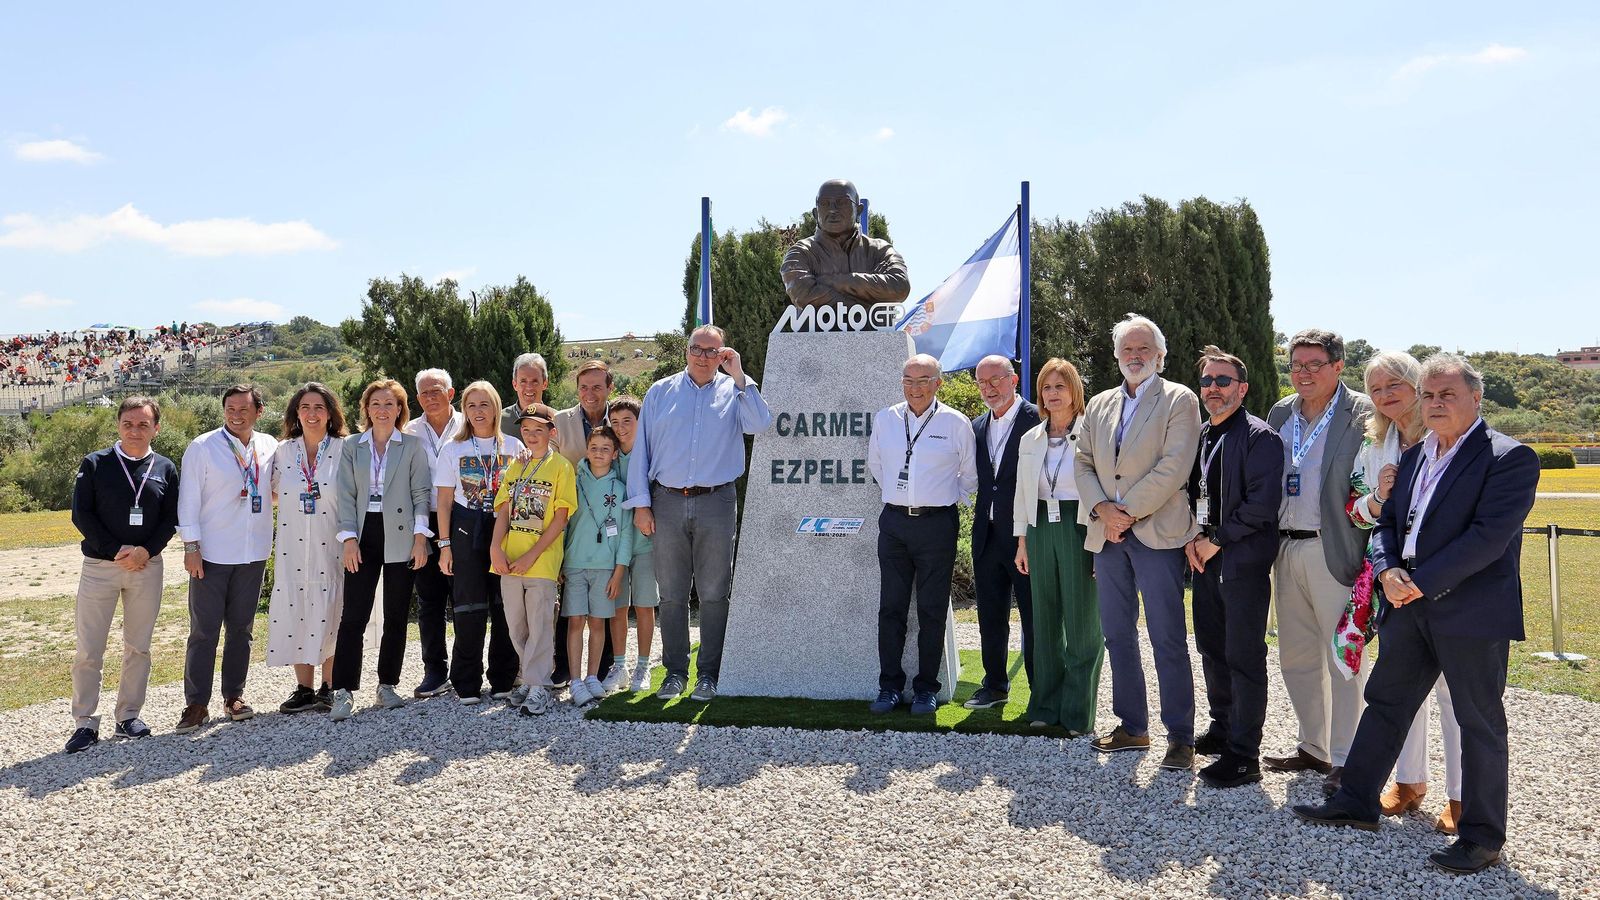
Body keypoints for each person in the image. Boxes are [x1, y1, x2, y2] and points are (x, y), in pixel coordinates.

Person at [1292, 354, 1538, 875]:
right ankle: (1356, 801)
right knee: (1386, 704)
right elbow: (1385, 526)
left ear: (1476, 398)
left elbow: (1488, 538)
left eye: (1448, 394)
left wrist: (1418, 582)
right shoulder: (1416, 453)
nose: (1436, 404)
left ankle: (1481, 837)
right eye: (1429, 395)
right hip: (1406, 605)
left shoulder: (1509, 458)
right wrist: (1386, 572)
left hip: (1469, 613)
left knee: (1479, 722)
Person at [1333, 351, 1464, 831]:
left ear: (1417, 385)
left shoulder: (1447, 435)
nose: (1386, 396)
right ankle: (1409, 782)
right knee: (1400, 682)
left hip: (1448, 579)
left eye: (1395, 386)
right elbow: (1356, 512)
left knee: (1453, 689)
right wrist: (1377, 497)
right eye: (1376, 389)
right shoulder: (1376, 444)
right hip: (1392, 579)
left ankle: (1461, 795)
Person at [1073, 314, 1200, 769]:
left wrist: (1125, 513)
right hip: (1106, 535)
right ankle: (1132, 726)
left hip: (1156, 533)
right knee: (1117, 633)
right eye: (1127, 349)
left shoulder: (1179, 399)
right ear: (1115, 356)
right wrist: (1102, 511)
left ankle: (1181, 736)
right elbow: (1082, 461)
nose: (1135, 356)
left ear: (1160, 355)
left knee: (1167, 636)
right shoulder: (1100, 404)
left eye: (1144, 348)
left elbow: (1176, 464)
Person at [624, 324, 772, 702]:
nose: (703, 357)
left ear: (724, 354)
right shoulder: (660, 392)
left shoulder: (735, 391)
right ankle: (674, 673)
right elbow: (642, 452)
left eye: (712, 351)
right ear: (686, 351)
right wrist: (641, 503)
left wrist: (740, 377)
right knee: (671, 594)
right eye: (697, 349)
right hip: (667, 500)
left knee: (714, 592)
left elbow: (761, 424)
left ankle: (709, 674)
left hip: (716, 501)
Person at [1264, 329, 1374, 796]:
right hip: (1285, 547)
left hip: (1336, 547)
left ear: (1337, 366)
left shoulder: (1363, 413)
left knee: (1342, 659)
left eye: (1314, 364)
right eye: (1296, 364)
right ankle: (1314, 745)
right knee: (1296, 656)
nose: (1303, 373)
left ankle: (1348, 759)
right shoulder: (1281, 412)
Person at [1183, 347, 1284, 788]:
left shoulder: (1262, 439)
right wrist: (1193, 539)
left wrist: (1216, 540)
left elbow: (1262, 506)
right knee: (1211, 649)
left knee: (1244, 658)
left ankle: (1245, 755)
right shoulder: (1200, 434)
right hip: (1203, 559)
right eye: (1207, 381)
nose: (1213, 389)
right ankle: (1223, 728)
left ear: (1242, 388)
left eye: (1223, 381)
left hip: (1239, 563)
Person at [65, 396, 179, 752]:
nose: (135, 430)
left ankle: (128, 715)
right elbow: (81, 515)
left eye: (143, 424)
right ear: (118, 425)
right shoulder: (95, 463)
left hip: (147, 567)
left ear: (155, 428)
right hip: (102, 566)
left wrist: (147, 550)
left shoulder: (165, 467)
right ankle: (85, 722)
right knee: (89, 649)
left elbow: (170, 518)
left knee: (138, 647)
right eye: (128, 423)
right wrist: (116, 549)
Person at [865, 354, 977, 715]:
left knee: (931, 610)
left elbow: (969, 475)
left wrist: (941, 502)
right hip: (895, 524)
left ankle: (927, 688)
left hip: (937, 526)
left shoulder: (955, 422)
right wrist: (901, 498)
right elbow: (876, 465)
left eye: (923, 380)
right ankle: (889, 687)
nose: (915, 387)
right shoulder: (886, 419)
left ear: (938, 383)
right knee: (891, 609)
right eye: (908, 380)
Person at [176, 384, 279, 733]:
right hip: (212, 554)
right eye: (231, 409)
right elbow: (187, 499)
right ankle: (196, 704)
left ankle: (233, 696)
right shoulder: (203, 447)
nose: (237, 415)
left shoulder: (269, 446)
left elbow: (277, 489)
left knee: (242, 630)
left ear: (259, 412)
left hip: (252, 553)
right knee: (204, 632)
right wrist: (191, 547)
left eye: (244, 409)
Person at [328, 379, 433, 721]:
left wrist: (421, 539)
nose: (382, 410)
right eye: (376, 403)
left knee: (397, 615)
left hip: (401, 535)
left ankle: (387, 684)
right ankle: (342, 690)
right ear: (367, 409)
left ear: (400, 409)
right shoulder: (352, 446)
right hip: (362, 533)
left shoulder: (413, 446)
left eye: (390, 403)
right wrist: (347, 539)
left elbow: (421, 495)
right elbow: (345, 496)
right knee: (353, 616)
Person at [1011, 359, 1100, 735]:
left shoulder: (1093, 432)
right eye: (1047, 387)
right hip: (1039, 528)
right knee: (1044, 622)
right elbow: (1021, 493)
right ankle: (1045, 706)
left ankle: (1078, 713)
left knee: (1082, 624)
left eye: (1060, 386)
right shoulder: (1030, 439)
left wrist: (1100, 544)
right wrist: (1022, 541)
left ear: (1074, 391)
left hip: (1080, 526)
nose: (1052, 394)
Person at [435, 381, 525, 705]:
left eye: (484, 404)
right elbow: (444, 502)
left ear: (496, 408)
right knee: (469, 606)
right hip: (465, 530)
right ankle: (466, 681)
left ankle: (503, 677)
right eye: (471, 405)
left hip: (505, 530)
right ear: (464, 410)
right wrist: (444, 546)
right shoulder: (452, 449)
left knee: (505, 605)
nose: (478, 412)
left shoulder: (515, 448)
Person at [964, 355, 1040, 710]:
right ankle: (994, 685)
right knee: (990, 616)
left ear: (1014, 380)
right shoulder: (977, 426)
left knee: (1034, 616)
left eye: (996, 379)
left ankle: (1042, 691)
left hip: (1028, 535)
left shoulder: (1038, 419)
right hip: (988, 534)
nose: (989, 388)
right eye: (982, 382)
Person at [267, 383, 348, 715]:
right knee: (297, 608)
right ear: (295, 414)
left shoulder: (346, 449)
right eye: (305, 408)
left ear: (330, 413)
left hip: (332, 543)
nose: (312, 414)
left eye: (319, 407)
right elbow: (271, 492)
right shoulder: (283, 451)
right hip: (292, 544)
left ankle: (329, 685)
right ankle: (304, 688)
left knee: (332, 611)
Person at [491, 405, 574, 713]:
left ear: (551, 433)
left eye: (539, 429)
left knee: (540, 623)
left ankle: (539, 686)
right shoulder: (516, 465)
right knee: (516, 624)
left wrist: (532, 556)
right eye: (526, 430)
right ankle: (529, 677)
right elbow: (503, 509)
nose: (532, 435)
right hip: (509, 559)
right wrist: (495, 548)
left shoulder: (561, 467)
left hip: (541, 561)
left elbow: (560, 518)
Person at [551, 359, 617, 688]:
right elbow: (545, 458)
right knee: (572, 605)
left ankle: (601, 670)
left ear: (610, 388)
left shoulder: (620, 419)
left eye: (597, 386)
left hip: (609, 514)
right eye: (584, 387)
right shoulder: (559, 421)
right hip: (570, 522)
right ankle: (565, 668)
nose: (590, 393)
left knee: (604, 603)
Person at [559, 426, 633, 706]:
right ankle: (575, 680)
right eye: (594, 448)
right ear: (586, 451)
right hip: (575, 563)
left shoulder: (621, 490)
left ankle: (592, 677)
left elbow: (625, 532)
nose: (599, 453)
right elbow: (563, 525)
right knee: (576, 621)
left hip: (606, 568)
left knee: (599, 622)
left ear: (614, 454)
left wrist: (619, 570)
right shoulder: (574, 482)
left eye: (605, 449)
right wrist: (560, 563)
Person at [404, 368, 463, 698]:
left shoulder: (469, 424)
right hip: (424, 520)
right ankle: (435, 672)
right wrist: (420, 533)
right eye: (424, 393)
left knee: (465, 599)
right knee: (429, 600)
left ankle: (464, 670)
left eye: (436, 391)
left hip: (463, 516)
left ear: (451, 393)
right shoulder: (410, 431)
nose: (430, 397)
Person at [779, 179, 910, 312]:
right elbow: (803, 294)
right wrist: (862, 309)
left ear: (858, 210)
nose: (832, 210)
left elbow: (900, 287)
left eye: (842, 202)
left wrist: (835, 281)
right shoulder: (800, 252)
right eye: (824, 203)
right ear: (816, 213)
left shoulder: (880, 250)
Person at [607, 395, 657, 693]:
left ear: (640, 422)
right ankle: (620, 666)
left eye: (627, 421)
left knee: (645, 604)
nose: (621, 427)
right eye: (615, 422)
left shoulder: (651, 454)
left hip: (647, 542)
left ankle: (643, 667)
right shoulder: (607, 456)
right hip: (615, 546)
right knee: (618, 605)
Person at [500, 352, 550, 438]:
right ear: (515, 384)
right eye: (523, 381)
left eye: (535, 381)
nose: (529, 387)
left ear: (544, 384)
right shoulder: (499, 421)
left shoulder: (556, 420)